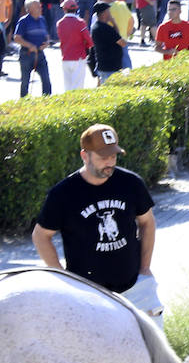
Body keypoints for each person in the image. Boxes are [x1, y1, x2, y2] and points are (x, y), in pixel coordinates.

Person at [32, 124, 161, 314]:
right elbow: (41, 236)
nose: (109, 162)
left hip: (135, 288)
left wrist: (145, 268)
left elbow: (147, 222)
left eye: (113, 156)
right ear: (85, 155)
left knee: (154, 343)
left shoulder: (131, 183)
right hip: (88, 296)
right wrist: (63, 278)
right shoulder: (63, 194)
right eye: (103, 157)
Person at [13, 0, 53, 96]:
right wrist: (30, 45)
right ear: (29, 9)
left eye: (39, 6)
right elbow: (17, 37)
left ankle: (47, 101)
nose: (40, 8)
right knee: (25, 81)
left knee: (46, 80)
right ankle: (24, 102)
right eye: (37, 7)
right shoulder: (23, 21)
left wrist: (47, 42)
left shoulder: (42, 19)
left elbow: (46, 34)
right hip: (27, 54)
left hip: (40, 54)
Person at [55, 0, 93, 91]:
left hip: (66, 57)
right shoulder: (80, 23)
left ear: (64, 9)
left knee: (67, 87)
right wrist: (86, 47)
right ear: (76, 8)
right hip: (79, 57)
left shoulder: (60, 23)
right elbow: (90, 41)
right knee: (78, 87)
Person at [89, 1, 125, 84]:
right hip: (110, 68)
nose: (110, 14)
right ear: (104, 13)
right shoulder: (106, 28)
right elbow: (122, 43)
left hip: (103, 66)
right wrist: (114, 23)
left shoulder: (95, 27)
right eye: (108, 11)